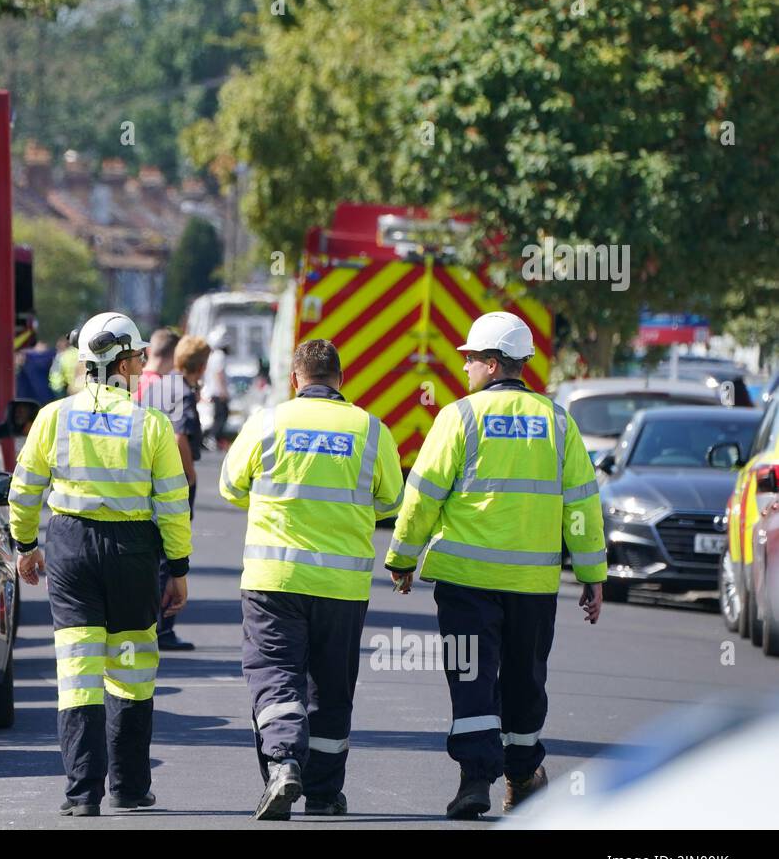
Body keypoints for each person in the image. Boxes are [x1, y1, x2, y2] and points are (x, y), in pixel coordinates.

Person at [384, 311, 607, 819]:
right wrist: (593, 576)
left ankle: (474, 781)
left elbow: (423, 497)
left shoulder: (458, 417)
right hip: (532, 585)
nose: (463, 369)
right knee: (525, 681)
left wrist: (402, 558)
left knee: (471, 679)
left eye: (468, 360)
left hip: (466, 584)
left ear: (490, 363)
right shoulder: (558, 421)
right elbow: (583, 507)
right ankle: (524, 773)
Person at [8, 311, 193, 816]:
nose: (138, 366)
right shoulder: (151, 425)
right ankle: (130, 789)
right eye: (135, 358)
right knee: (131, 671)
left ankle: (81, 794)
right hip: (132, 552)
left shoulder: (53, 416)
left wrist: (26, 546)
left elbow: (24, 490)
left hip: (70, 546)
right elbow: (173, 505)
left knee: (78, 670)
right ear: (122, 362)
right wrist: (177, 569)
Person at [220, 339, 403, 820]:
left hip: (273, 579)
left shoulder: (267, 422)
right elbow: (390, 500)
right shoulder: (369, 429)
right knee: (331, 686)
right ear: (340, 379)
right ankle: (323, 793)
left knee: (275, 674)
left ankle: (283, 763)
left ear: (295, 380)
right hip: (342, 585)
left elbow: (231, 485)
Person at [138, 331, 210, 651]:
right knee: (172, 555)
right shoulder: (181, 392)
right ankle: (164, 629)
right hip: (172, 483)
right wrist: (189, 477)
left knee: (153, 555)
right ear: (202, 365)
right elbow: (181, 438)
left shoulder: (157, 386)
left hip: (145, 480)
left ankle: (147, 623)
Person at [202, 327, 232, 447]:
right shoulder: (220, 355)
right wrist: (223, 391)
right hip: (218, 392)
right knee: (221, 416)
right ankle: (212, 437)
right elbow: (219, 375)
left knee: (218, 415)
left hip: (213, 391)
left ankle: (215, 438)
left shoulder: (213, 355)